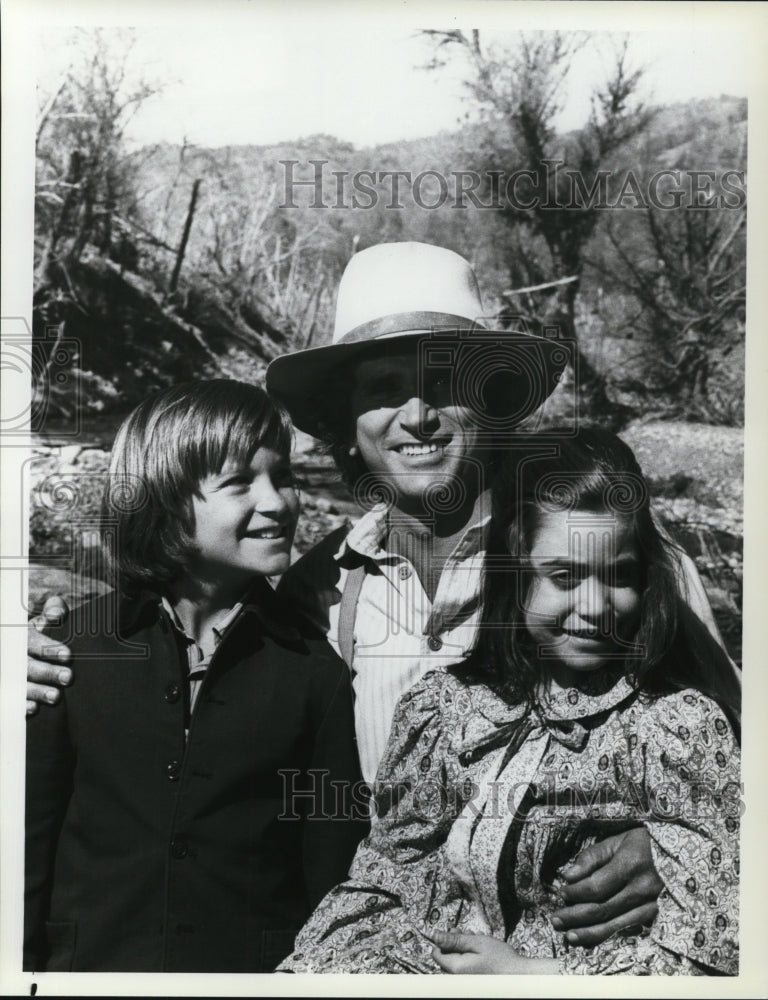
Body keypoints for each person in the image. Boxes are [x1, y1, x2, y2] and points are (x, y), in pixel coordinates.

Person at [26, 241, 738, 946]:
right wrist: (33, 658)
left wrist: (670, 843)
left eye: (446, 381)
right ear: (347, 424)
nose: (417, 415)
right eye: (382, 388)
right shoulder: (316, 590)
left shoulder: (613, 567)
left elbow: (736, 756)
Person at [276, 428, 741, 975]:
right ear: (515, 575)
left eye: (619, 576)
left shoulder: (676, 729)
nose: (594, 607)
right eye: (563, 576)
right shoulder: (446, 709)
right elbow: (389, 877)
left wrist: (530, 977)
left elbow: (717, 944)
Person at [24, 380, 366, 973]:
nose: (279, 502)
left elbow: (330, 872)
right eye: (239, 483)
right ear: (162, 502)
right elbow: (26, 843)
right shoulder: (66, 653)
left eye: (282, 476)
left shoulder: (318, 673)